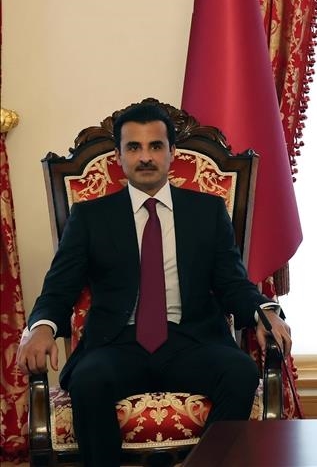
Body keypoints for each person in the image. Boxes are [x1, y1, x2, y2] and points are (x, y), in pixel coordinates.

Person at [16, 102, 293, 466]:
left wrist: (264, 312)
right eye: (134, 147)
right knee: (88, 381)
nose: (145, 157)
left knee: (240, 373)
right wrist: (42, 327)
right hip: (117, 343)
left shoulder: (207, 211)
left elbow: (232, 283)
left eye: (155, 146)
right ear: (119, 156)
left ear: (171, 152)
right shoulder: (90, 217)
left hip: (191, 339)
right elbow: (59, 288)